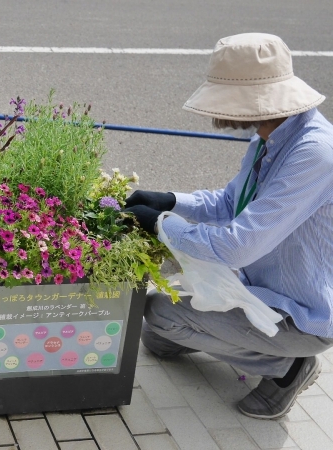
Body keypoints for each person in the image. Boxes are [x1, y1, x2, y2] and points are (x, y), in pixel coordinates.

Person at [124, 33, 333, 420]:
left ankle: (289, 367)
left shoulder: (314, 154)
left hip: (302, 314)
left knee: (158, 314)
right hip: (258, 288)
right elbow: (228, 203)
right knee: (158, 339)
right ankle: (257, 346)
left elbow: (238, 246)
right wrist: (170, 200)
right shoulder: (271, 137)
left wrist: (161, 225)